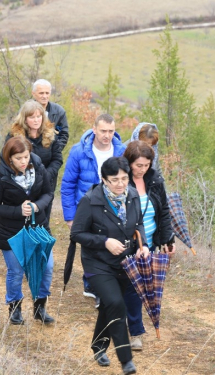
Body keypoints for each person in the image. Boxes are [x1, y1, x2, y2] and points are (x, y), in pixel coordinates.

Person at [70, 156, 148, 375]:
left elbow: (138, 224)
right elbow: (76, 233)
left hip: (125, 263)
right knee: (116, 304)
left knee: (108, 307)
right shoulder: (91, 201)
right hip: (97, 263)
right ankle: (126, 360)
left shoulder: (132, 195)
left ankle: (98, 346)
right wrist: (104, 242)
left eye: (124, 178)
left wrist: (143, 245)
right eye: (114, 180)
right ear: (104, 180)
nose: (121, 184)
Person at [0, 136, 55, 325]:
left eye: (26, 156)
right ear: (10, 158)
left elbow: (48, 193)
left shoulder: (39, 168)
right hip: (11, 232)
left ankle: (40, 307)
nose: (24, 162)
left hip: (38, 228)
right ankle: (15, 308)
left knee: (47, 267)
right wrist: (18, 211)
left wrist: (37, 206)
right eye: (18, 158)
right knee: (16, 271)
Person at [61, 113, 126, 304]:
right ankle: (91, 282)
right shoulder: (79, 151)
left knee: (109, 244)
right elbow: (67, 185)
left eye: (111, 131)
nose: (107, 135)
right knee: (89, 245)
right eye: (103, 130)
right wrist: (70, 217)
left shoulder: (121, 151)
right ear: (94, 129)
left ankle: (102, 289)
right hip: (86, 207)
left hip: (114, 207)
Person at [123, 140, 175, 351]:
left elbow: (163, 211)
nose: (142, 170)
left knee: (142, 286)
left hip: (150, 242)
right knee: (132, 288)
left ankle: (133, 327)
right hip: (127, 241)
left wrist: (167, 238)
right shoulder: (121, 180)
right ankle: (135, 331)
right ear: (129, 163)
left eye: (146, 165)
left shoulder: (155, 180)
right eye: (138, 166)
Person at [7, 99, 63, 223]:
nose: (36, 120)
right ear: (25, 119)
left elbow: (57, 159)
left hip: (46, 185)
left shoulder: (50, 134)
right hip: (21, 184)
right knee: (22, 220)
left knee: (42, 220)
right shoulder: (14, 136)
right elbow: (6, 159)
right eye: (32, 117)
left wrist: (45, 176)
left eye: (39, 116)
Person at [31, 79, 69, 150]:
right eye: (41, 93)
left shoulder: (59, 111)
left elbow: (63, 134)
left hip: (51, 154)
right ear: (33, 93)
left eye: (47, 93)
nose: (44, 96)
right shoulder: (25, 111)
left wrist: (55, 151)